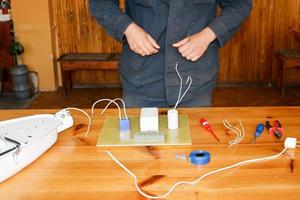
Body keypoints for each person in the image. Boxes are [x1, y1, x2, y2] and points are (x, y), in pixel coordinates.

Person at [90, 0, 252, 107]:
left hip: (195, 80)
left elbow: (239, 4)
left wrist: (208, 35)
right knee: (140, 154)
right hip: (142, 79)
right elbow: (101, 3)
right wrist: (128, 29)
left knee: (192, 154)